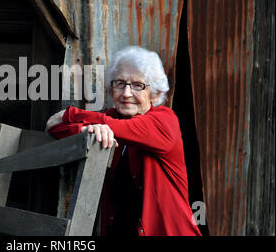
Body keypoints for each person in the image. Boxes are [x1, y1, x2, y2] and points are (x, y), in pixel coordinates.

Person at [46, 46, 201, 236]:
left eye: (138, 85)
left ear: (155, 93)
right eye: (119, 83)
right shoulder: (112, 119)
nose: (126, 93)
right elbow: (56, 129)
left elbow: (101, 124)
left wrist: (69, 114)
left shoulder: (164, 120)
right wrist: (86, 130)